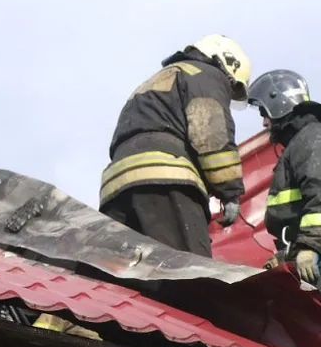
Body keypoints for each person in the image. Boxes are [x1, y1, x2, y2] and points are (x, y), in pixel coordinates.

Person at [99, 34, 251, 257]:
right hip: (166, 178)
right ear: (227, 64)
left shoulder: (160, 78)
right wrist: (230, 192)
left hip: (116, 187)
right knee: (191, 272)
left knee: (127, 277)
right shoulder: (204, 74)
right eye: (232, 85)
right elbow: (210, 134)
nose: (228, 91)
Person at [247, 69, 321, 347]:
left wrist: (310, 246)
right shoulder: (303, 142)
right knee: (310, 335)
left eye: (264, 111)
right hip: (316, 251)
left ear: (279, 103)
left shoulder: (314, 138)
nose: (264, 121)